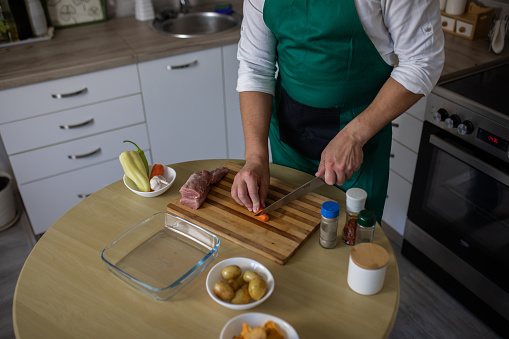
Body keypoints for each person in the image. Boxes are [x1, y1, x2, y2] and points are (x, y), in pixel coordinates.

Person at [231, 0, 445, 223]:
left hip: (359, 144)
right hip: (287, 140)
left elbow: (422, 62)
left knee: (352, 241)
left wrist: (354, 135)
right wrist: (256, 156)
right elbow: (255, 67)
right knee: (285, 231)